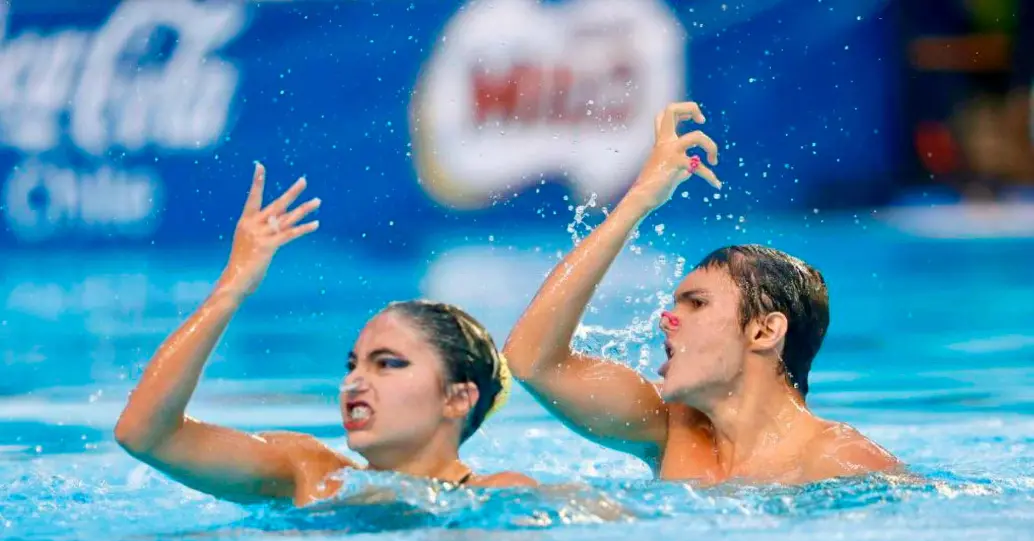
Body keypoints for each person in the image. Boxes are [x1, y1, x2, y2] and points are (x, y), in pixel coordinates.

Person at [503, 102, 902, 485]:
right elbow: (531, 362)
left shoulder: (839, 461)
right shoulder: (670, 428)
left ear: (764, 331)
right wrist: (638, 201)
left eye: (697, 303)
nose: (666, 318)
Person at [114, 163, 536, 508]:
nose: (354, 381)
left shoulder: (498, 496)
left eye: (387, 364)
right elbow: (146, 434)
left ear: (457, 398)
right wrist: (231, 288)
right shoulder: (307, 473)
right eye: (352, 365)